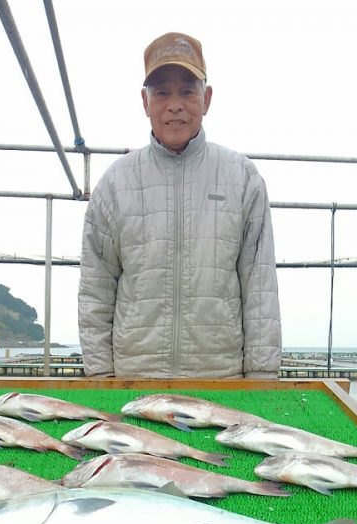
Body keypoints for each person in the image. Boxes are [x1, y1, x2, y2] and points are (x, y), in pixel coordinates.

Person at [78, 31, 281, 379]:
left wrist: (261, 376)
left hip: (220, 378)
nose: (174, 105)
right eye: (162, 93)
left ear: (207, 98)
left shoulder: (242, 178)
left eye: (187, 91)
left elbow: (259, 286)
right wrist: (100, 376)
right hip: (134, 379)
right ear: (145, 102)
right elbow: (96, 289)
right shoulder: (114, 183)